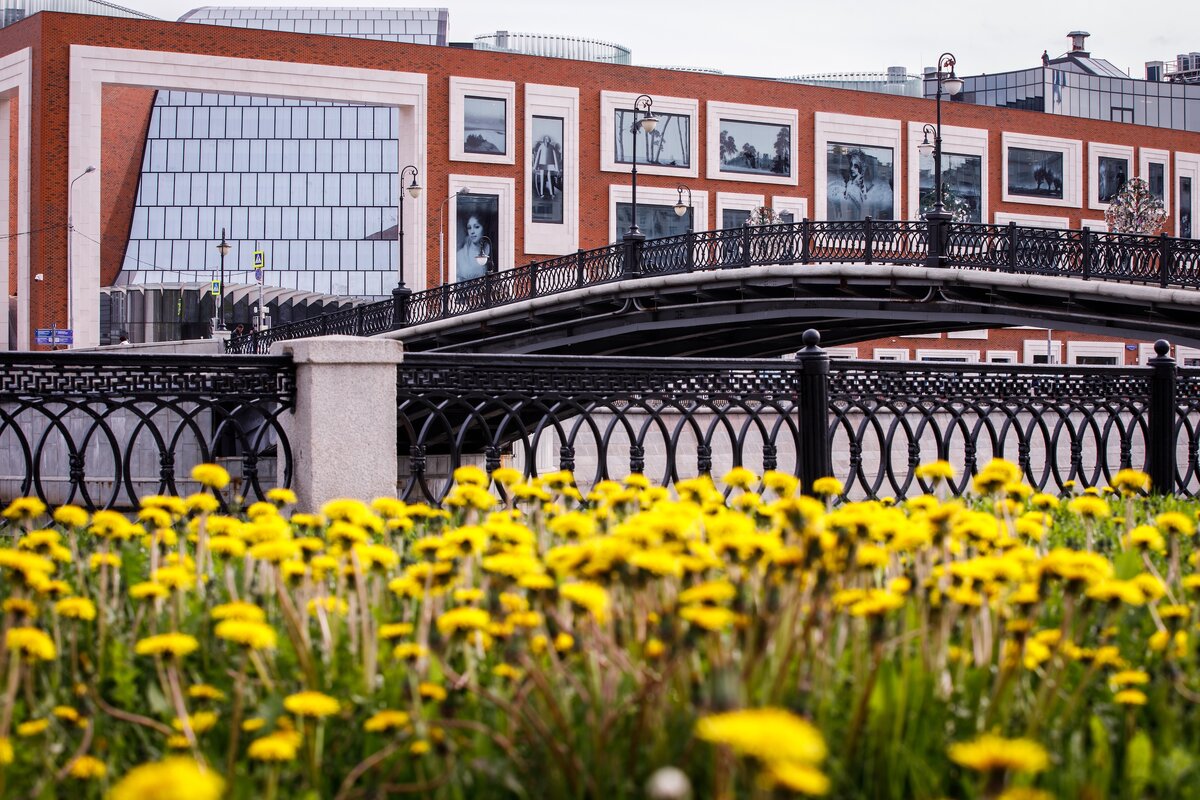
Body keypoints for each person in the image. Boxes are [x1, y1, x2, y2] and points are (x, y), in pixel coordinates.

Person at [455, 214, 490, 281]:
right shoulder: (460, 255)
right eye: (469, 228)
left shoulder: (490, 251)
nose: (472, 232)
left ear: (484, 228)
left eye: (476, 227)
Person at [532, 135, 561, 199]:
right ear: (544, 139)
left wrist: (557, 169)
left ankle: (552, 194)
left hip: (550, 165)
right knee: (542, 179)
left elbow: (555, 158)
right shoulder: (541, 146)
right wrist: (535, 167)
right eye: (546, 139)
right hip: (542, 165)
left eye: (548, 139)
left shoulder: (552, 147)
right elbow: (538, 157)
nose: (547, 140)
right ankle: (541, 194)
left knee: (550, 179)